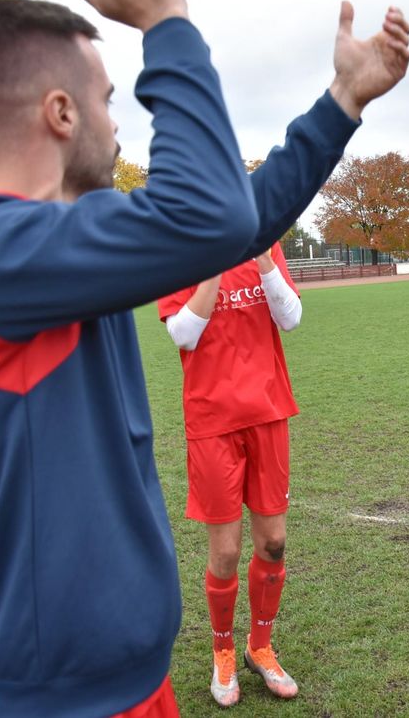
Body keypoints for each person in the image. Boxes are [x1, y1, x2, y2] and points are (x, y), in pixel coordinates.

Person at [0, 0, 409, 712]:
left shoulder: (44, 246)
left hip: (128, 681)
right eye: (110, 101)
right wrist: (167, 18)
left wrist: (342, 102)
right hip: (58, 700)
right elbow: (209, 217)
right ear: (62, 114)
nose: (118, 122)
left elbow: (233, 224)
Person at [157, 243, 303, 706]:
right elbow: (183, 334)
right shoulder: (180, 254)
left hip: (268, 412)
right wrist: (213, 266)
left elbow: (291, 318)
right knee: (225, 552)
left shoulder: (267, 245)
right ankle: (222, 651)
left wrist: (260, 258)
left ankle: (259, 647)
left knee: (273, 543)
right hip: (212, 422)